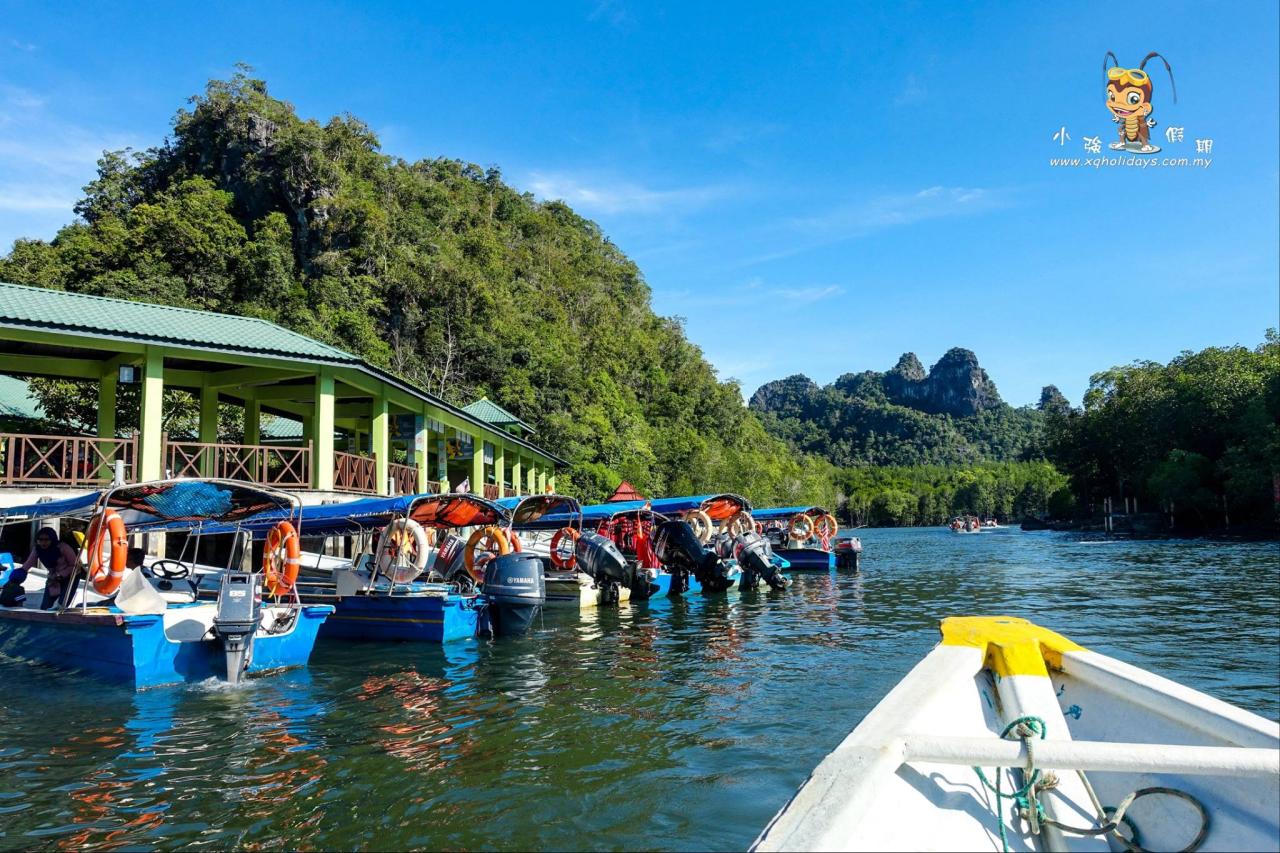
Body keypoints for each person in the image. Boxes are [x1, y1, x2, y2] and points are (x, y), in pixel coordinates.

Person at [19, 527, 79, 610]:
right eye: (40, 539)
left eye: (46, 539)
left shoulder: (63, 547)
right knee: (45, 607)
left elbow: (75, 565)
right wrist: (18, 575)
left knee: (62, 605)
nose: (43, 542)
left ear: (52, 539)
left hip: (71, 577)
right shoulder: (37, 549)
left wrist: (61, 575)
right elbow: (28, 564)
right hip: (53, 578)